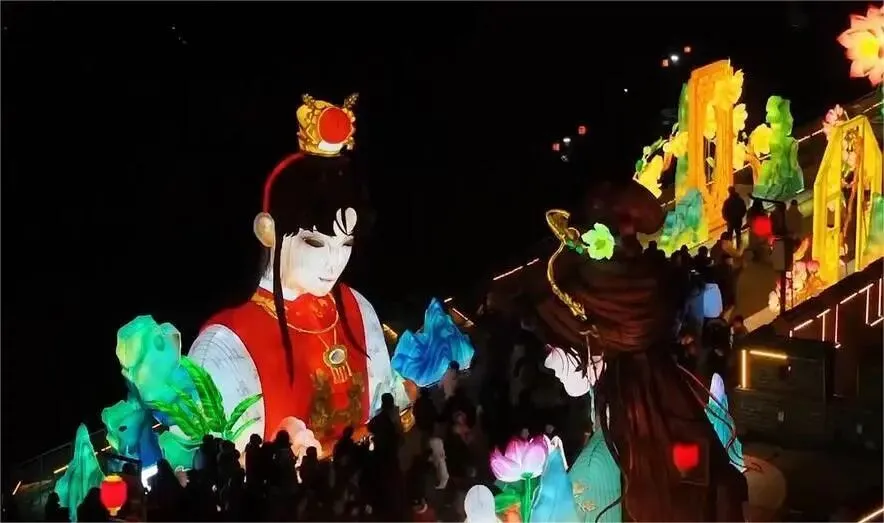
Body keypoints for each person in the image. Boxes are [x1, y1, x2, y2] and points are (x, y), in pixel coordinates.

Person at [187, 93, 409, 455]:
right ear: (268, 231)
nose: (334, 262)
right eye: (315, 243)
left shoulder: (357, 308)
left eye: (346, 243)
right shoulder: (225, 344)